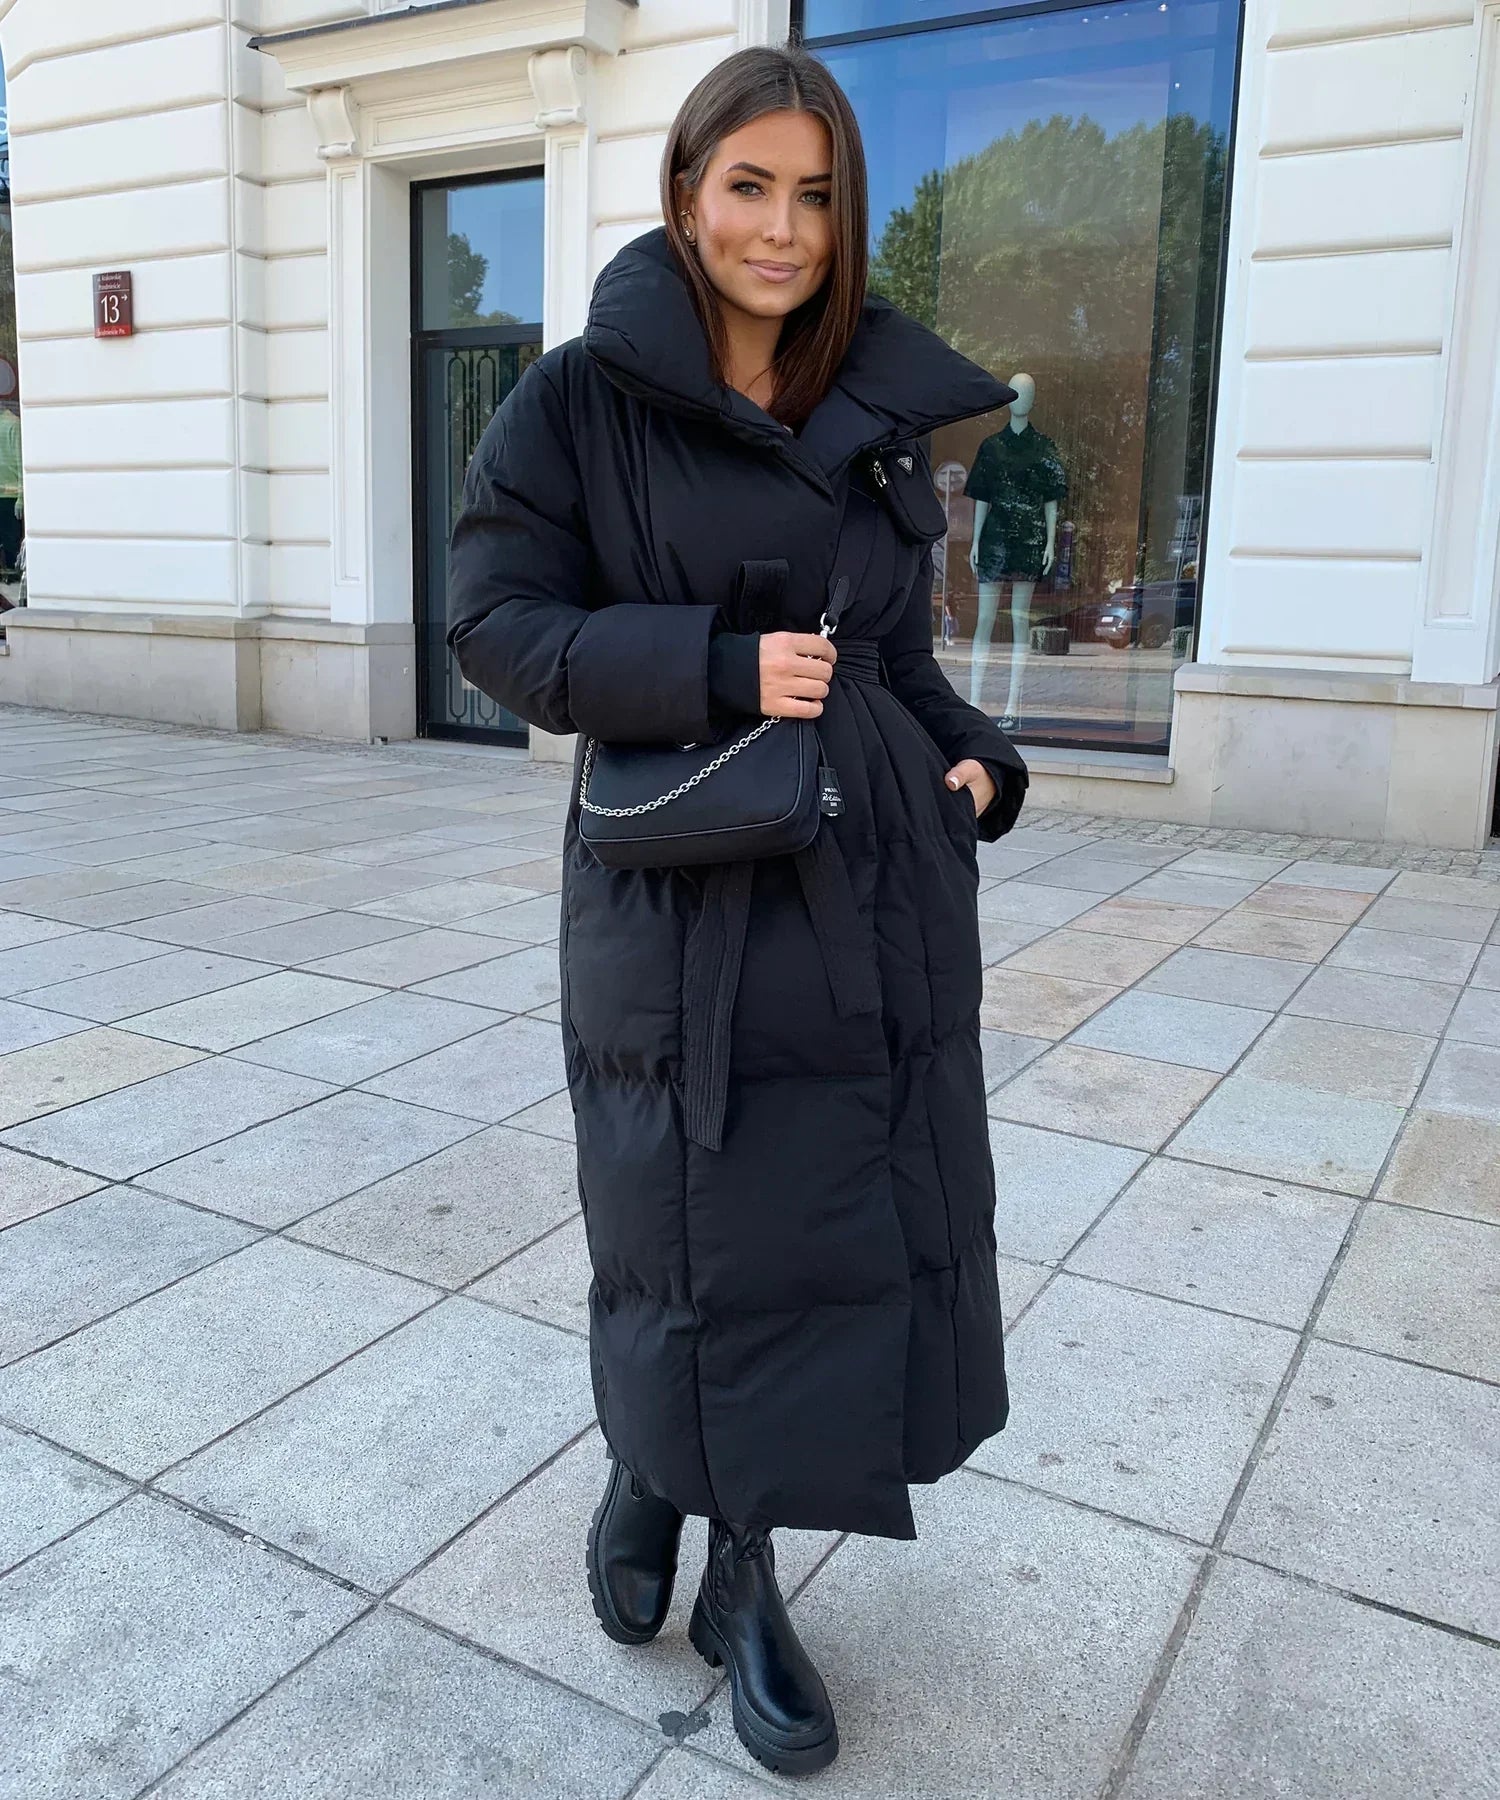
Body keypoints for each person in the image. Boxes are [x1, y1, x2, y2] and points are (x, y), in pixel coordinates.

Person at [447, 43, 1027, 1778]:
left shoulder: (870, 404)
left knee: (821, 1238)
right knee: (680, 1234)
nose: (783, 228)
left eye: (816, 195)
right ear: (687, 194)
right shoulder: (579, 401)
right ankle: (655, 1470)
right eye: (750, 186)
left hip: (869, 896)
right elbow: (494, 625)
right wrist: (709, 664)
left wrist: (980, 757)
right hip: (682, 899)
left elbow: (896, 652)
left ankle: (745, 1572)